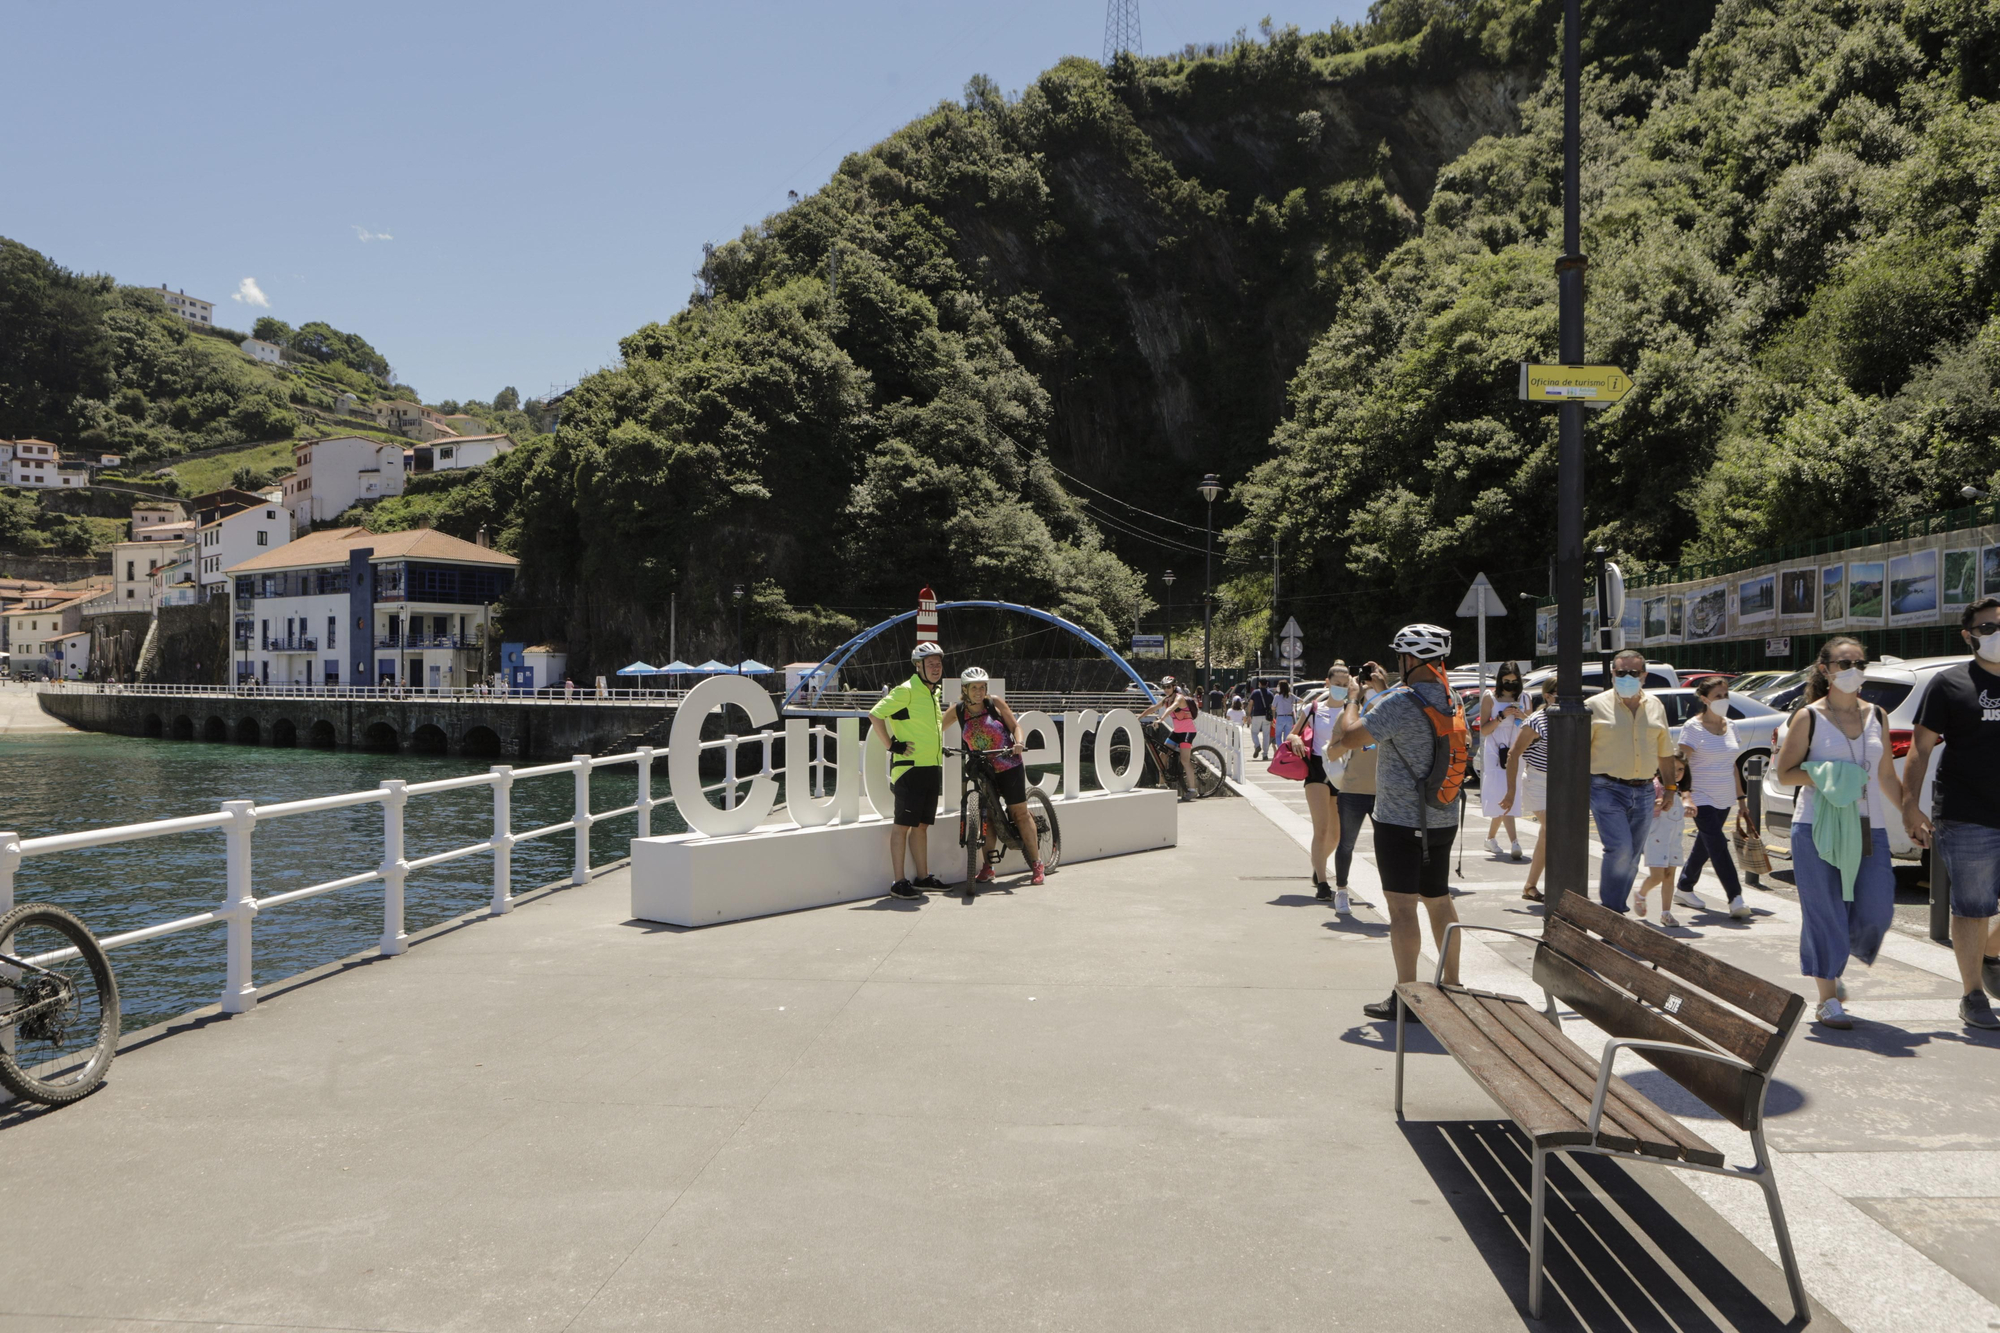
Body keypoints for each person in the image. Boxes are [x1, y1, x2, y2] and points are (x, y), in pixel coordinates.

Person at [1772, 635, 1907, 1029]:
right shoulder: (1809, 716)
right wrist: (1833, 777)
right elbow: (1784, 773)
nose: (1853, 671)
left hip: (1869, 827)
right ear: (1825, 670)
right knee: (1825, 913)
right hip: (1817, 826)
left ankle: (1831, 958)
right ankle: (1828, 998)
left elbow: (1885, 775)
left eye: (1859, 664)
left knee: (1876, 909)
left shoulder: (1877, 715)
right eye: (1844, 664)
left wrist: (1912, 815)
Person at [1335, 625, 1465, 1023]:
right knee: (1439, 901)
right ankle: (1454, 987)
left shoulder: (1401, 702)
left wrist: (1354, 699)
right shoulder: (1452, 697)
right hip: (1442, 816)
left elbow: (1350, 736)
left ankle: (1407, 995)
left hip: (1399, 821)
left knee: (1402, 909)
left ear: (1409, 660)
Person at [1901, 595, 2000, 1030]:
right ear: (1969, 636)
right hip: (1967, 813)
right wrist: (1910, 807)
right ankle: (1973, 994)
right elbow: (1919, 751)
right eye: (1988, 628)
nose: (1997, 635)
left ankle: (1991, 955)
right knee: (1973, 907)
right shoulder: (1949, 683)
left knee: (1983, 915)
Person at [1587, 648, 1677, 912]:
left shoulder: (1656, 706)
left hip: (1646, 790)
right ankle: (1612, 910)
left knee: (1633, 856)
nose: (1626, 677)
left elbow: (1665, 752)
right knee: (1621, 850)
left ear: (1644, 676)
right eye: (1620, 672)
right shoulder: (1595, 706)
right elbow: (1579, 753)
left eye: (1633, 673)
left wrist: (1670, 788)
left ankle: (1615, 906)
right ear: (1612, 674)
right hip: (1606, 788)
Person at [868, 642, 954, 899]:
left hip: (931, 767)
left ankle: (923, 877)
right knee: (902, 826)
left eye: (938, 664)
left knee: (921, 826)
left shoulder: (932, 693)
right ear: (918, 666)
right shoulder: (906, 690)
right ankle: (898, 882)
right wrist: (892, 745)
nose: (936, 668)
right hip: (910, 769)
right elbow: (875, 714)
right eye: (930, 664)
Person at [955, 667, 1045, 886]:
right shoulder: (958, 711)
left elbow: (1015, 726)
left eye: (982, 687)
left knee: (1020, 814)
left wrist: (1019, 743)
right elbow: (936, 728)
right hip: (984, 769)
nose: (979, 691)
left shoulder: (994, 703)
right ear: (965, 690)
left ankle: (1037, 863)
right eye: (974, 687)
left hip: (1009, 765)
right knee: (988, 816)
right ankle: (988, 866)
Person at [1676, 676, 1752, 919]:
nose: (1723, 700)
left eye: (1726, 695)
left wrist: (1741, 800)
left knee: (1706, 844)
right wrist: (1685, 796)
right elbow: (1682, 765)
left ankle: (1684, 887)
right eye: (1718, 696)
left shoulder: (1732, 725)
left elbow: (1732, 766)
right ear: (1704, 699)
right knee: (1718, 845)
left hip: (1725, 796)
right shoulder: (1692, 727)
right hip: (1701, 797)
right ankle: (1735, 897)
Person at [1286, 664, 1353, 907]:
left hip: (1343, 771)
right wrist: (1294, 740)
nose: (1341, 689)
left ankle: (1318, 866)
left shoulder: (1351, 710)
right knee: (1321, 829)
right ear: (1328, 683)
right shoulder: (1313, 708)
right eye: (1338, 685)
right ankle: (1323, 884)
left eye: (1345, 686)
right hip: (1317, 769)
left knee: (1336, 835)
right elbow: (1293, 734)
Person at [1330, 662, 1385, 909]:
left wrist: (1381, 684)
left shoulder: (1387, 716)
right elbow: (1331, 753)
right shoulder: (1347, 717)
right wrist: (1350, 740)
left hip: (1383, 793)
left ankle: (1393, 893)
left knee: (1387, 848)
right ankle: (1341, 890)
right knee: (1347, 844)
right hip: (1352, 791)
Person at [1502, 676, 1559, 902]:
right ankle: (1558, 886)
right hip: (1538, 782)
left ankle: (1530, 886)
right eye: (1559, 694)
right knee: (1554, 831)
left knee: (1547, 835)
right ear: (1547, 696)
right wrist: (1510, 792)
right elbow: (1513, 754)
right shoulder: (1536, 721)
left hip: (1561, 784)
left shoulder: (1569, 717)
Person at [1634, 758, 1693, 926]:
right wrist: (1657, 804)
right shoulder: (1655, 786)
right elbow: (1643, 807)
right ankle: (1641, 895)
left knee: (1669, 875)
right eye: (1672, 768)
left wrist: (1688, 810)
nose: (1676, 773)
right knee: (1657, 876)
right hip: (1657, 837)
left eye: (1681, 769)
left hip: (1674, 838)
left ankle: (1666, 913)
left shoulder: (1679, 790)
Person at [1479, 663, 1526, 860]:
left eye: (1514, 682)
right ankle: (1515, 842)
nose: (1510, 685)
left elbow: (1531, 724)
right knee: (1503, 791)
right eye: (1506, 681)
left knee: (1510, 790)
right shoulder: (1490, 697)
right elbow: (1483, 730)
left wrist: (1521, 715)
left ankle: (1490, 838)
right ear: (1500, 680)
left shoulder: (1524, 697)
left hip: (1516, 747)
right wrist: (1501, 716)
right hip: (1494, 748)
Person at [1138, 675, 1200, 801]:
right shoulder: (1166, 700)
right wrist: (1139, 717)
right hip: (1177, 732)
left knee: (1185, 760)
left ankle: (1193, 790)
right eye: (1164, 687)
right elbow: (1153, 708)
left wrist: (1161, 719)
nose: (1166, 689)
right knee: (1163, 755)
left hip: (1187, 732)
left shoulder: (1179, 698)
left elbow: (1172, 708)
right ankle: (1162, 785)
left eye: (1168, 687)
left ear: (1174, 687)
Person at [1271, 680, 1297, 758]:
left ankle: (1281, 750)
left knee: (1278, 735)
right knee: (1286, 737)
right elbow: (1300, 700)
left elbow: (1273, 707)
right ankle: (1286, 750)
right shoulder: (1291, 696)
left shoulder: (1277, 696)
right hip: (1289, 718)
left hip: (1280, 717)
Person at [1247, 679, 1272, 759]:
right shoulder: (1270, 694)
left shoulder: (1255, 692)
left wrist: (1248, 715)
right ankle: (1265, 754)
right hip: (1267, 716)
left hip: (1257, 715)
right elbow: (1273, 706)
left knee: (1254, 732)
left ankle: (1257, 745)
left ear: (1259, 684)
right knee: (1266, 735)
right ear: (1267, 684)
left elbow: (1250, 704)